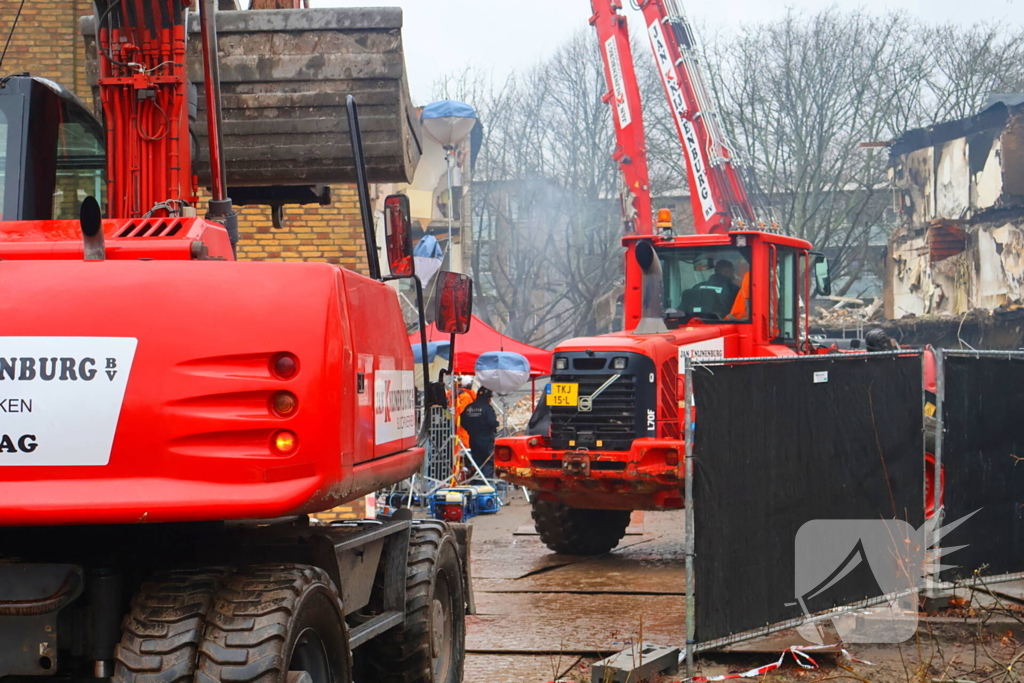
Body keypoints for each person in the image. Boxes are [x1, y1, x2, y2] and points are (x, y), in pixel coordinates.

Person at [460, 387, 499, 479]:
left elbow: (462, 421)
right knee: (488, 461)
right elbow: (492, 423)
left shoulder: (469, 407)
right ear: (488, 398)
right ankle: (486, 482)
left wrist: (471, 430)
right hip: (486, 440)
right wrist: (496, 424)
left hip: (473, 439)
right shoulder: (487, 408)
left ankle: (476, 480)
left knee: (476, 461)